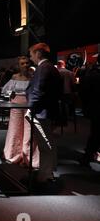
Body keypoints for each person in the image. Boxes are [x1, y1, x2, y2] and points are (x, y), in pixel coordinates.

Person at [26, 43, 62, 183]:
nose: (31, 58)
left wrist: (29, 108)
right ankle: (48, 173)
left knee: (44, 145)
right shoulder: (50, 67)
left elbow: (37, 91)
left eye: (31, 55)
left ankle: (44, 176)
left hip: (41, 113)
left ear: (38, 54)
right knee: (49, 143)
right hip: (47, 112)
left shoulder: (43, 68)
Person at [2, 56, 40, 168]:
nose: (25, 65)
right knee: (15, 129)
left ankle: (28, 157)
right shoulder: (14, 77)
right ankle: (13, 154)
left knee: (29, 130)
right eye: (22, 63)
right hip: (16, 105)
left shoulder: (33, 77)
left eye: (27, 63)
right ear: (19, 65)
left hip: (29, 105)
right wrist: (10, 94)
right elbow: (5, 90)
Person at [79, 56, 100, 166]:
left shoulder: (92, 74)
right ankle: (88, 156)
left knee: (95, 133)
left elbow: (84, 92)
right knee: (95, 133)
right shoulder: (93, 74)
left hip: (95, 108)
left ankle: (88, 156)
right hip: (96, 108)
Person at [56, 60, 76, 127]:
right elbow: (73, 84)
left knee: (58, 106)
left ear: (58, 65)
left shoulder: (55, 72)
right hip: (67, 93)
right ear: (64, 64)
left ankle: (58, 121)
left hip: (57, 93)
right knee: (66, 105)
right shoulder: (70, 73)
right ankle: (66, 119)